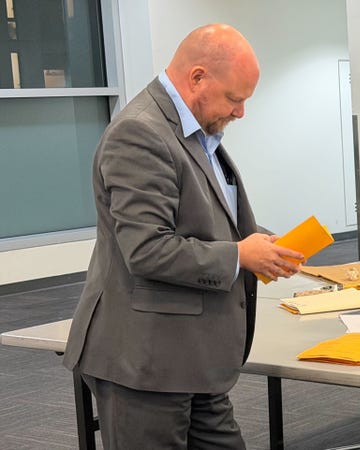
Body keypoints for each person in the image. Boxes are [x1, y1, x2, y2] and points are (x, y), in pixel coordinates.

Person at [62, 24, 304, 449]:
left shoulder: (196, 132)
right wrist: (239, 257)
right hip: (146, 361)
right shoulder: (139, 133)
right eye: (235, 98)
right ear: (197, 78)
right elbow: (148, 249)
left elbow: (205, 220)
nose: (241, 112)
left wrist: (262, 242)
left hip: (195, 358)